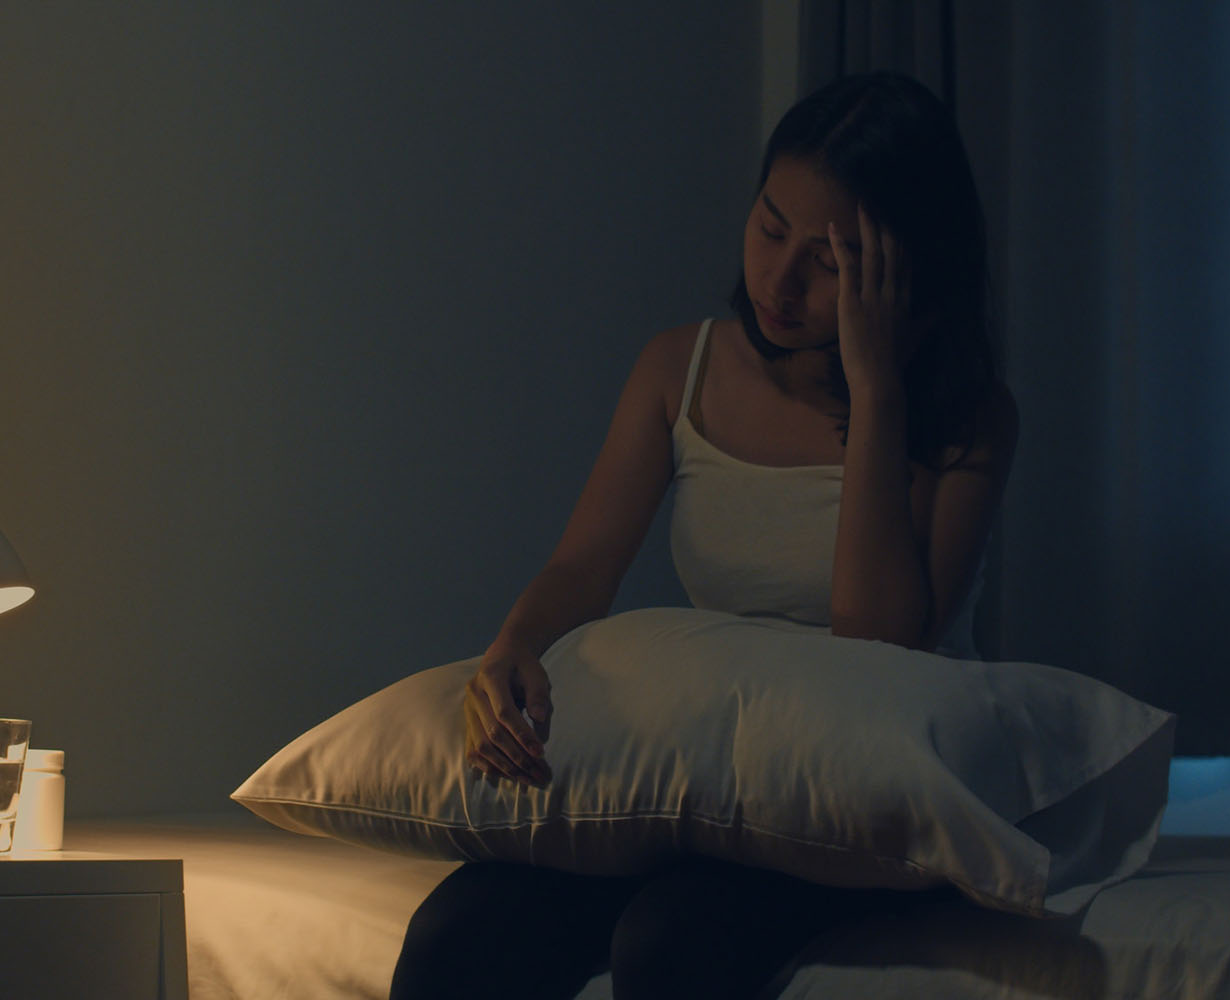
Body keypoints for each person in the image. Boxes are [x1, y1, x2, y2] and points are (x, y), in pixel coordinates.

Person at [389, 71, 1019, 1000]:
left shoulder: (966, 418)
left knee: (672, 940)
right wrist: (515, 648)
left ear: (901, 271)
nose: (781, 279)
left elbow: (879, 645)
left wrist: (877, 388)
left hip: (871, 791)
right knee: (459, 932)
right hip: (720, 774)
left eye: (830, 260)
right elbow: (581, 566)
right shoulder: (678, 369)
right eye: (770, 228)